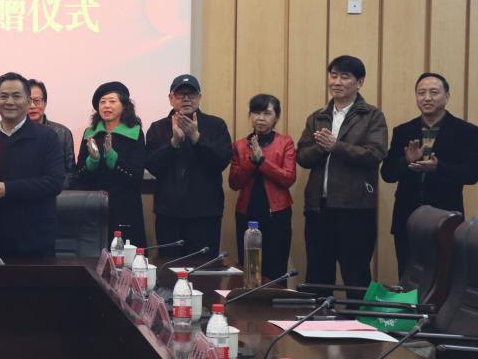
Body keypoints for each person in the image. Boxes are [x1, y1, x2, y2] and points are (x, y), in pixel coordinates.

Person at [296, 56, 388, 293]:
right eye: (333, 75)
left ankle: (357, 318)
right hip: (319, 208)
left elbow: (375, 153)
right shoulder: (317, 117)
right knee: (317, 274)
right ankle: (318, 317)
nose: (337, 82)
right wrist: (321, 148)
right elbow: (302, 157)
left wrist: (336, 146)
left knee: (356, 274)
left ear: (360, 82)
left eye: (344, 77)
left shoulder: (372, 116)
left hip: (355, 208)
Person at [381, 72, 478, 277]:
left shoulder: (466, 131)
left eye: (434, 92)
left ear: (447, 96)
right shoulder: (403, 130)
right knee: (407, 277)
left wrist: (438, 168)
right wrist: (406, 160)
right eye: (421, 93)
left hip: (446, 216)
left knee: (444, 278)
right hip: (406, 217)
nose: (427, 98)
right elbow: (387, 174)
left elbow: (471, 175)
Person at [145, 74, 233, 257]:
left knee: (202, 270)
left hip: (205, 214)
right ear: (171, 98)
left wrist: (196, 138)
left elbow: (221, 162)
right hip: (168, 214)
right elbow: (152, 166)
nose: (186, 98)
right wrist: (173, 143)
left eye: (191, 94)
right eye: (180, 94)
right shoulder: (157, 128)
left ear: (199, 97)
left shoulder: (216, 125)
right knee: (168, 269)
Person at [0, 73, 65, 258]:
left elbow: (54, 182)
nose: (9, 101)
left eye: (16, 96)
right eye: (4, 96)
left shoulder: (47, 137)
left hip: (35, 239)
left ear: (27, 101)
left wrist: (7, 189)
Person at [228, 94, 296, 281]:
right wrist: (252, 161)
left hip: (277, 214)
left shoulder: (285, 142)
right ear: (250, 115)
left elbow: (288, 178)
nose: (260, 118)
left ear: (276, 117)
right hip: (247, 214)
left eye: (267, 113)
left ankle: (275, 299)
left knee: (276, 268)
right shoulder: (239, 145)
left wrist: (262, 161)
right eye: (256, 113)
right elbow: (234, 183)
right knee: (249, 269)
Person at [74, 81, 146, 246]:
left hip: (125, 206)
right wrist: (92, 162)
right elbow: (79, 175)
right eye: (102, 102)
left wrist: (114, 160)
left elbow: (136, 176)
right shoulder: (90, 133)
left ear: (124, 106)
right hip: (94, 206)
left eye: (112, 101)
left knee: (124, 255)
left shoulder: (135, 132)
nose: (106, 106)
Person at [28, 78, 75, 189]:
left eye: (37, 101)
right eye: (28, 101)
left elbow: (71, 174)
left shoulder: (63, 133)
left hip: (54, 194)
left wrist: (48, 187)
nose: (32, 106)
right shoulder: (14, 134)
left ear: (45, 104)